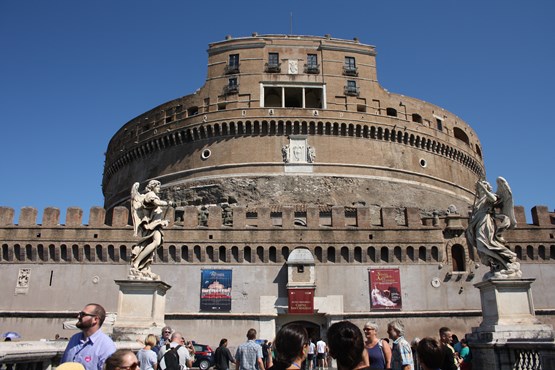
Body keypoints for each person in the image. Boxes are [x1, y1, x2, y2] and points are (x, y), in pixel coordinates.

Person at [465, 177, 521, 279]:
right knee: (481, 246)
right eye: (479, 188)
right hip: (478, 223)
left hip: (486, 223)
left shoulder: (490, 196)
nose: (480, 190)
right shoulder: (479, 201)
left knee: (486, 243)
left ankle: (507, 260)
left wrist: (484, 189)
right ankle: (501, 262)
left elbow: (493, 199)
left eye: (482, 187)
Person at [130, 180, 174, 279]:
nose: (159, 189)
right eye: (157, 187)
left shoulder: (154, 195)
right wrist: (167, 203)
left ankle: (144, 267)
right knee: (156, 242)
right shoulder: (150, 195)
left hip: (156, 224)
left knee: (155, 243)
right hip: (151, 225)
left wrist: (163, 221)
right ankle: (137, 262)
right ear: (152, 187)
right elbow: (156, 203)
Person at [61, 303, 116, 370]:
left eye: (83, 314)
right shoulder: (74, 339)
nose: (78, 316)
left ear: (95, 319)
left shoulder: (106, 346)